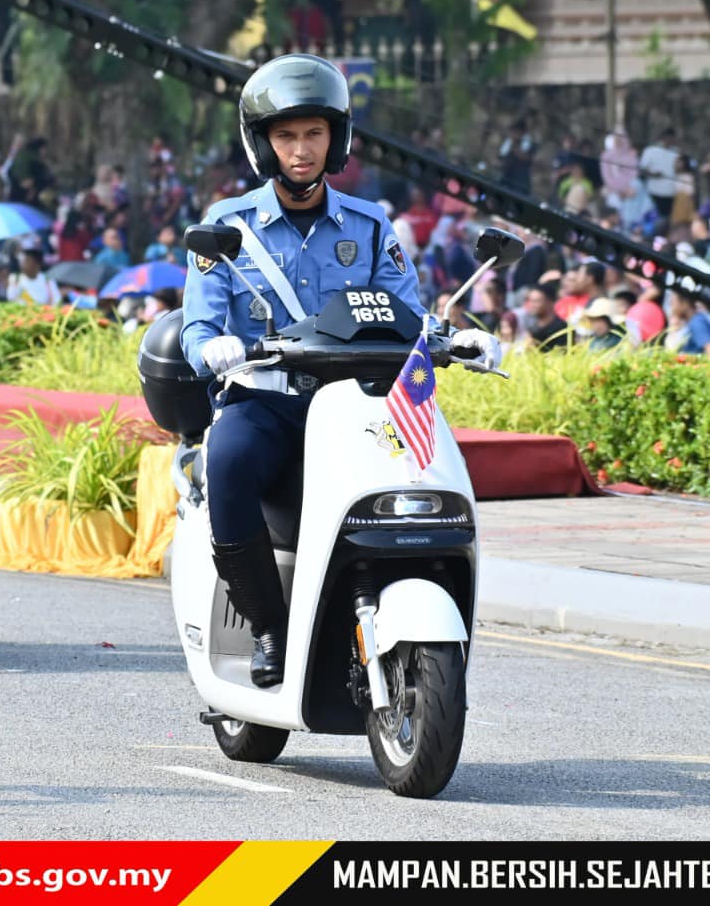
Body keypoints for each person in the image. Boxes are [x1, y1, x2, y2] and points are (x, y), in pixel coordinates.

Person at [181, 53, 500, 688]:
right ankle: (268, 624)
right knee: (229, 462)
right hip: (267, 402)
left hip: (355, 405)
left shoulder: (370, 224)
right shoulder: (228, 227)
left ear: (337, 138)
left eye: (314, 134)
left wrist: (461, 338)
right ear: (263, 144)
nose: (301, 150)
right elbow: (199, 327)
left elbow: (406, 315)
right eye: (286, 136)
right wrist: (214, 348)